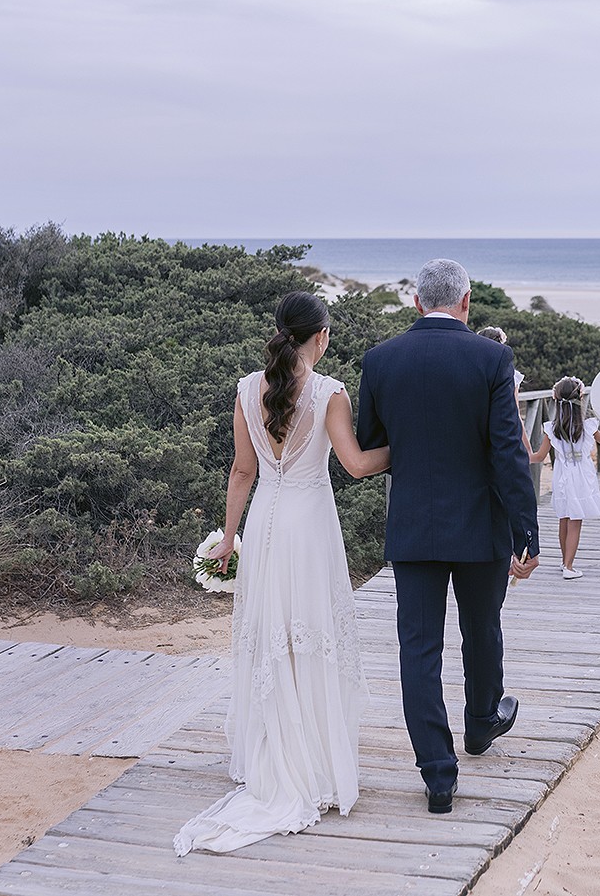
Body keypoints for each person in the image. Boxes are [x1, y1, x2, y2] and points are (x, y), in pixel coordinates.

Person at [174, 291, 390, 856]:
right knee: (307, 633)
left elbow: (242, 471)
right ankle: (311, 759)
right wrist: (408, 446)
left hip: (267, 521)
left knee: (273, 633)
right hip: (310, 523)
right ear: (320, 337)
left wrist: (229, 537)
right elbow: (358, 465)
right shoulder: (329, 393)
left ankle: (273, 748)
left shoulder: (249, 388)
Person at [357, 259, 540, 815]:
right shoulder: (491, 358)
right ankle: (481, 722)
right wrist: (525, 529)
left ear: (417, 304)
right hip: (480, 526)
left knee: (419, 650)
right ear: (465, 302)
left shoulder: (381, 360)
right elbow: (508, 452)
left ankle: (438, 775)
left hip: (412, 527)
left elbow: (370, 439)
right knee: (481, 629)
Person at [528, 376, 600, 580]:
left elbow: (538, 457)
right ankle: (569, 566)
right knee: (575, 520)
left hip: (562, 475)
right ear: (580, 398)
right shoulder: (587, 426)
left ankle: (564, 561)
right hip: (581, 476)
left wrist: (522, 451)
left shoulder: (552, 428)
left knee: (564, 517)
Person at [477, 325, 532, 455]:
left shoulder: (472, 370)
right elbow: (515, 412)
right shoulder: (511, 375)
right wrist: (527, 448)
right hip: (501, 432)